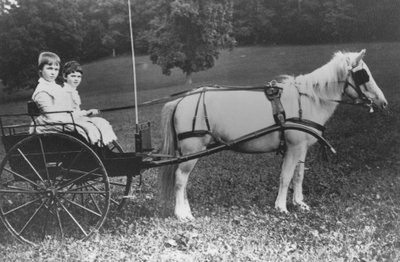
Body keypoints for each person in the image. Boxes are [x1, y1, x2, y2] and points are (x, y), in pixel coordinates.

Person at [30, 51, 116, 146]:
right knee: (85, 127)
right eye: (49, 68)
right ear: (40, 70)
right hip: (50, 124)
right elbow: (51, 116)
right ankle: (91, 150)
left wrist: (82, 114)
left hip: (61, 119)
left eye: (56, 69)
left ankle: (100, 151)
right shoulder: (42, 91)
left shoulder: (55, 87)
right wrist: (72, 118)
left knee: (99, 123)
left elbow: (66, 109)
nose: (53, 72)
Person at [62, 60, 117, 145]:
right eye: (73, 76)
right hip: (70, 121)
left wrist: (87, 113)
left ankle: (101, 147)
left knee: (101, 122)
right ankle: (95, 146)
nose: (76, 79)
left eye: (79, 76)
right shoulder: (64, 92)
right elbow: (69, 113)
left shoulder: (73, 92)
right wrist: (86, 113)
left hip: (77, 119)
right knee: (93, 126)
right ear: (65, 76)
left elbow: (76, 111)